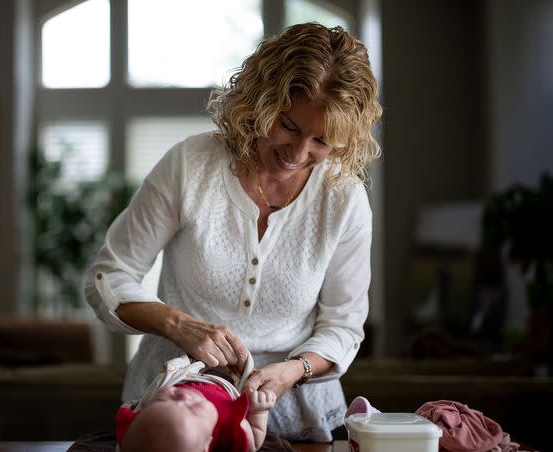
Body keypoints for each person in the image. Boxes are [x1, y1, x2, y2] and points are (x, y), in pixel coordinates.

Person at [85, 22, 381, 442]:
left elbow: (344, 327)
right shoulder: (191, 166)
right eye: (289, 126)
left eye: (322, 140)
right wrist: (178, 324)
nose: (298, 154)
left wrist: (294, 371)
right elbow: (107, 278)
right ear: (260, 102)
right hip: (177, 414)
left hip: (298, 419)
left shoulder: (344, 199)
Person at [114, 354, 276, 452]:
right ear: (208, 444)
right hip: (231, 383)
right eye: (193, 409)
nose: (185, 397)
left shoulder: (137, 428)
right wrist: (260, 412)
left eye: (169, 398)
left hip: (185, 373)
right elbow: (254, 442)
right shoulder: (229, 431)